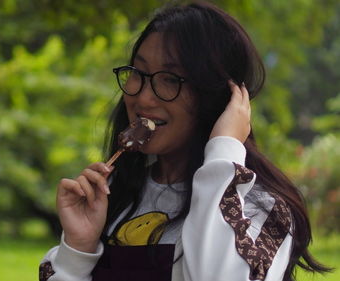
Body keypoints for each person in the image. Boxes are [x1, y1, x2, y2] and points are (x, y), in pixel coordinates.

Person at [39, 1, 330, 281]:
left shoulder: (260, 209)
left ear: (217, 97)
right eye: (139, 73)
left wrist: (224, 150)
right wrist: (78, 249)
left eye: (170, 79)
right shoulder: (108, 199)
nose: (143, 97)